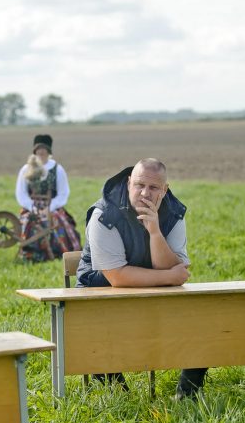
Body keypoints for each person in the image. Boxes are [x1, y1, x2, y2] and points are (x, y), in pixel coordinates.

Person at [75, 159, 205, 399]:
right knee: (96, 336)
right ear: (128, 184)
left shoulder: (174, 213)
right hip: (99, 296)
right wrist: (168, 276)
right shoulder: (104, 214)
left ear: (164, 190)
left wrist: (154, 232)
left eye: (154, 188)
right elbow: (117, 277)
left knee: (204, 319)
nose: (145, 192)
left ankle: (187, 395)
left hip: (151, 291)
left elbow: (172, 269)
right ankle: (118, 395)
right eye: (139, 185)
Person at [14, 134, 81, 261]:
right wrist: (32, 207)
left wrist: (50, 207)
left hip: (53, 207)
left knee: (57, 221)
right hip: (31, 208)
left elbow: (63, 193)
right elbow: (21, 193)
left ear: (48, 152)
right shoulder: (26, 169)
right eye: (38, 152)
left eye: (43, 152)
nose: (41, 154)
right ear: (35, 152)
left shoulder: (57, 169)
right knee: (28, 221)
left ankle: (60, 253)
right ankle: (31, 254)